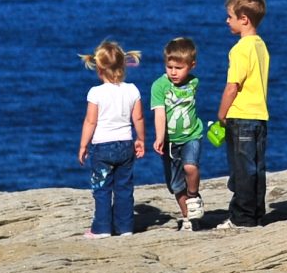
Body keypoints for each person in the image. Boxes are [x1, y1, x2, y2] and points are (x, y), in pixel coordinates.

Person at [78, 41, 146, 237]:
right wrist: (140, 139)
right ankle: (125, 228)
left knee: (102, 188)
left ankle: (102, 228)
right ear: (123, 66)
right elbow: (138, 118)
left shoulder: (95, 93)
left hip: (102, 147)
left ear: (99, 69)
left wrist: (83, 145)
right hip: (126, 145)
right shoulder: (132, 90)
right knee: (124, 187)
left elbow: (90, 122)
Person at [216, 0, 271, 227]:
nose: (227, 21)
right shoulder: (261, 46)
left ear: (244, 19)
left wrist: (221, 113)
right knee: (256, 169)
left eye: (230, 16)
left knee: (241, 170)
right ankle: (257, 214)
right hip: (259, 116)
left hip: (240, 116)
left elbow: (232, 86)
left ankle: (241, 217)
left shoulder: (240, 49)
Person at [147, 36, 206, 229]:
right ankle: (188, 217)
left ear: (191, 66)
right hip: (171, 142)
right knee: (175, 185)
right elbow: (160, 114)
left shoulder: (194, 82)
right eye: (169, 67)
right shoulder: (159, 86)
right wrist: (159, 137)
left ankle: (194, 198)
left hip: (192, 135)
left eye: (178, 68)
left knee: (190, 167)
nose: (173, 72)